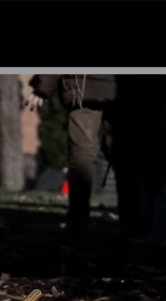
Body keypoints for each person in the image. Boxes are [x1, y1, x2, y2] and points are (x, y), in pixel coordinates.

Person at [25, 74, 117, 238]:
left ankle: (78, 222)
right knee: (125, 157)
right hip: (122, 86)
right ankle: (136, 223)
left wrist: (42, 86)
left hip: (85, 87)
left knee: (82, 156)